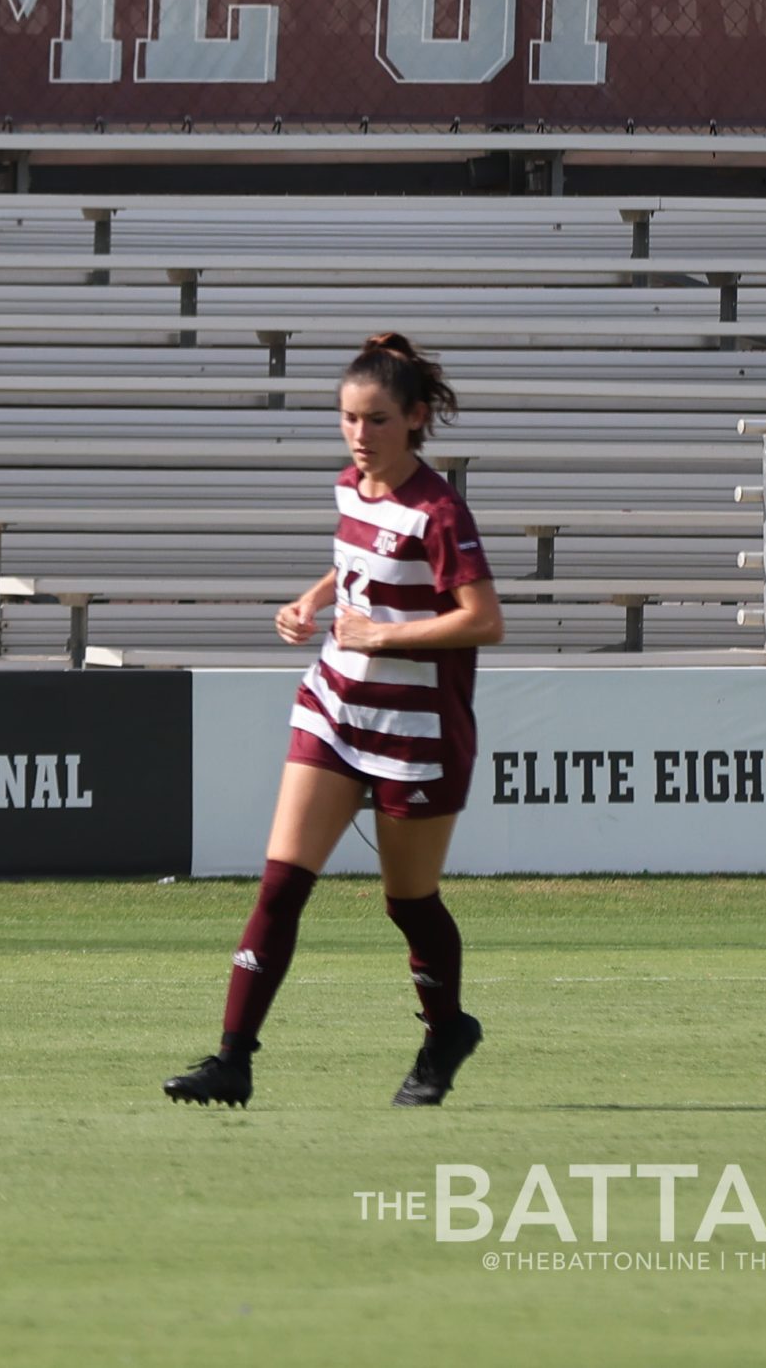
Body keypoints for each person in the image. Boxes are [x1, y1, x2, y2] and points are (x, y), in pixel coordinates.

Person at [164, 333, 503, 1110]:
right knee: (281, 885)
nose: (359, 434)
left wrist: (380, 633)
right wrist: (313, 601)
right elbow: (360, 557)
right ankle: (232, 1060)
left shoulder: (440, 510)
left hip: (416, 734)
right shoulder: (352, 485)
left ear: (416, 418)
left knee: (408, 903)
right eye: (349, 417)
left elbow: (484, 620)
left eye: (377, 419)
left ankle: (445, 1029)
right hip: (335, 708)